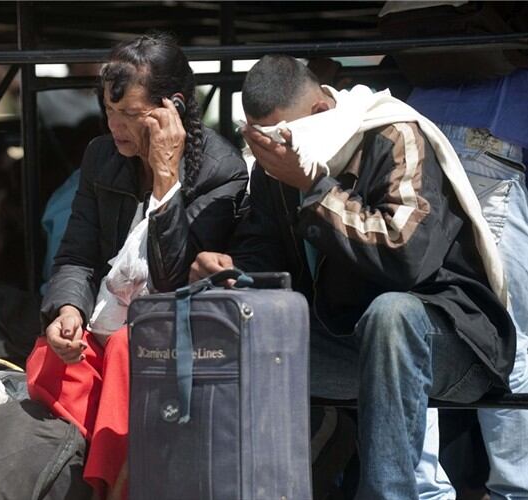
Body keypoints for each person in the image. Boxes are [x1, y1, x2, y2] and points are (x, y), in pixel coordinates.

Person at [190, 55, 515, 500]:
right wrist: (234, 274)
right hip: (347, 342)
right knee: (234, 325)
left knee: (392, 314)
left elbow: (406, 256)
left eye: (278, 135)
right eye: (260, 138)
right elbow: (262, 249)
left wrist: (313, 189)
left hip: (448, 339)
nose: (271, 150)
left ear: (320, 113)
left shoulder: (395, 134)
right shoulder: (277, 165)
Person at [26, 33, 249, 498]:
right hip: (111, 318)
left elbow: (171, 284)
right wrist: (68, 308)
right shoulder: (101, 157)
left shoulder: (221, 170)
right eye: (109, 112)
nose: (115, 127)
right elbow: (76, 256)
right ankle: (99, 458)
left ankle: (115, 485)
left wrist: (166, 183)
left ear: (173, 108)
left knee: (132, 347)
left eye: (129, 115)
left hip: (179, 331)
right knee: (51, 355)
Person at [409, 69, 528, 500]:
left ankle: (422, 491)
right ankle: (515, 492)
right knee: (509, 336)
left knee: (413, 325)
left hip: (421, 128)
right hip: (488, 140)